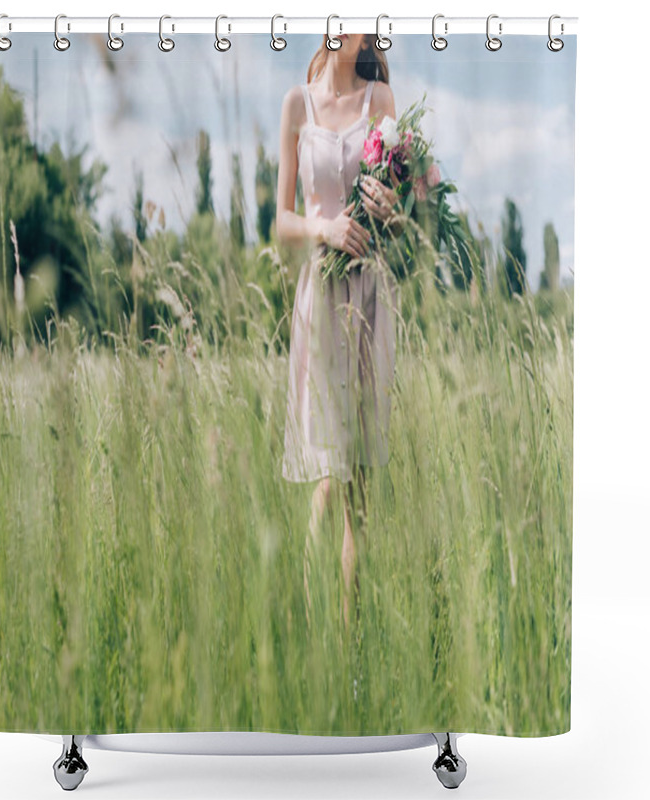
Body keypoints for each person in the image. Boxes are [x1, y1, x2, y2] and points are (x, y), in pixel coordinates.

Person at [276, 32, 400, 633]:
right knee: (330, 474)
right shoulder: (297, 104)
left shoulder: (381, 99)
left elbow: (403, 212)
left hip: (370, 294)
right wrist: (323, 229)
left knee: (361, 487)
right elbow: (280, 222)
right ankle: (309, 629)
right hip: (321, 299)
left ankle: (349, 647)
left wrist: (389, 204)